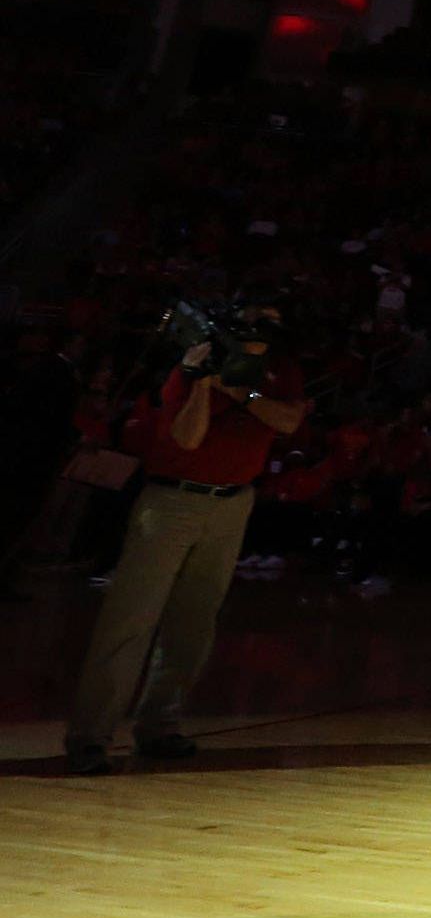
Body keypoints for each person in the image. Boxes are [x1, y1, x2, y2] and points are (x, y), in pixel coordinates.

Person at [68, 314, 308, 775]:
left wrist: (241, 392)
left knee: (194, 622)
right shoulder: (190, 370)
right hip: (172, 500)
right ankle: (90, 736)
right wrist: (202, 382)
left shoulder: (282, 370)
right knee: (131, 619)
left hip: (232, 503)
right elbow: (187, 436)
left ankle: (160, 724)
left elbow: (289, 419)